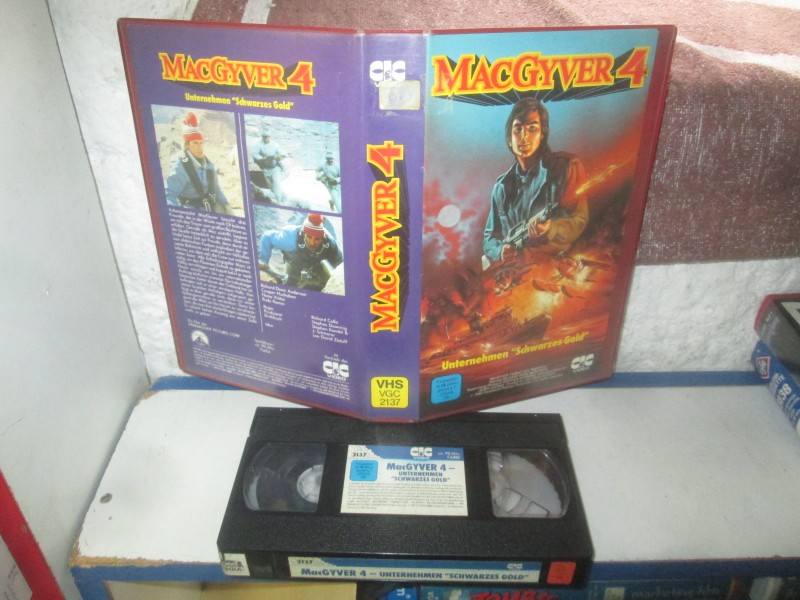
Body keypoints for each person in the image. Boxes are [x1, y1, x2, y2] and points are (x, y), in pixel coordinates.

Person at [483, 98, 588, 266]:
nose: (524, 137)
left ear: (542, 135)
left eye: (532, 128)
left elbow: (579, 220)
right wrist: (500, 251)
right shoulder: (501, 187)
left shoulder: (565, 168)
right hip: (514, 271)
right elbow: (489, 238)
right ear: (509, 138)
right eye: (518, 129)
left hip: (555, 267)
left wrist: (551, 228)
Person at [164, 112, 233, 215]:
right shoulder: (180, 164)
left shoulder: (209, 164)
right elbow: (169, 194)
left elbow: (216, 189)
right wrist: (178, 216)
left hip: (210, 207)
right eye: (195, 143)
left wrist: (226, 205)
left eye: (201, 143)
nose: (200, 147)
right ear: (187, 145)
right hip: (190, 210)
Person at [258, 213, 343, 291]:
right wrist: (264, 260)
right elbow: (267, 237)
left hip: (318, 264)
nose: (312, 242)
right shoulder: (291, 240)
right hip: (294, 261)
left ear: (322, 238)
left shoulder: (330, 244)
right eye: (309, 237)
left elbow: (341, 263)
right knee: (290, 284)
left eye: (317, 239)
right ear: (303, 233)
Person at [251, 125, 286, 203]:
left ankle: (279, 201)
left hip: (275, 169)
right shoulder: (259, 144)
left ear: (270, 137)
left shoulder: (275, 144)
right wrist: (262, 158)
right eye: (264, 137)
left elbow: (283, 153)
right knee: (270, 187)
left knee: (276, 184)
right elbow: (254, 154)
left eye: (267, 137)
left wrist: (279, 156)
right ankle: (282, 196)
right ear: (262, 137)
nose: (266, 138)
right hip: (266, 169)